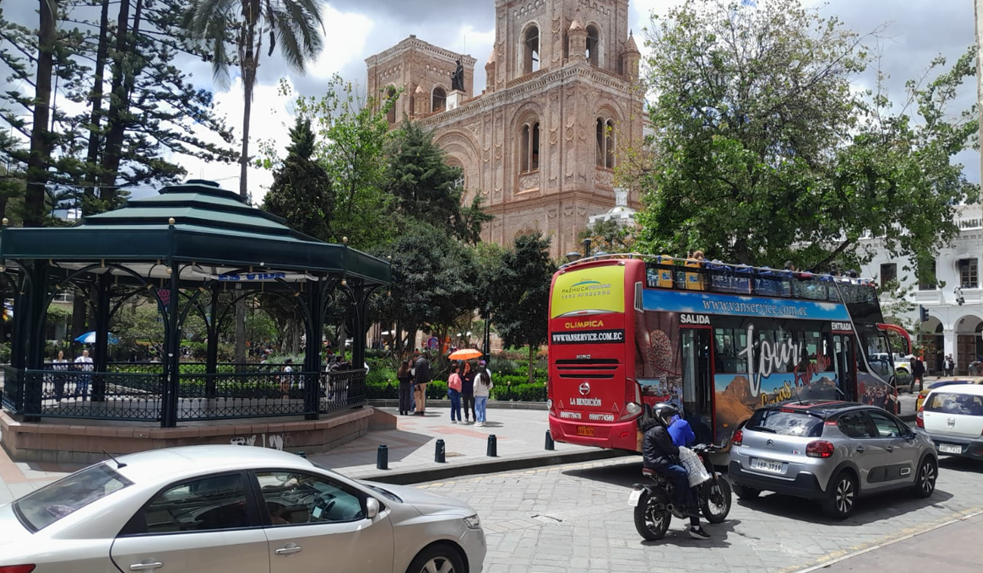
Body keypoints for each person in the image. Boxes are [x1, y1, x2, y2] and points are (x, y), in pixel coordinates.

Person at [641, 402, 710, 540]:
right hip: (659, 463)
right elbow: (670, 448)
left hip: (651, 462)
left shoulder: (651, 429)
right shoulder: (659, 430)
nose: (669, 420)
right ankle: (680, 502)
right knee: (683, 474)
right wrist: (681, 451)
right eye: (668, 417)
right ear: (661, 416)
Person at [413, 352, 432, 416]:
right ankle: (422, 409)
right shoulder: (425, 361)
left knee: (417, 396)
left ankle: (418, 410)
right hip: (425, 381)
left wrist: (416, 383)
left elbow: (418, 373)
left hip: (420, 381)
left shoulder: (418, 362)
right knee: (423, 395)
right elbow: (429, 370)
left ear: (415, 357)